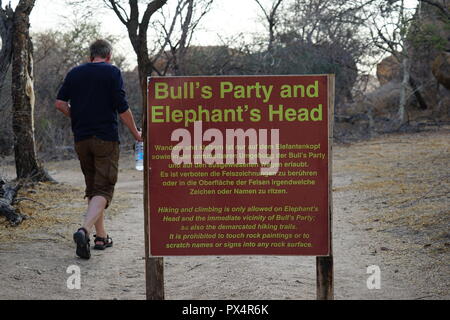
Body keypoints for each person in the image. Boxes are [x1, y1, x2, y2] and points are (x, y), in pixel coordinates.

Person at [55, 39, 143, 260]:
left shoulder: (75, 73)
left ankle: (101, 237)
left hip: (81, 139)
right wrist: (136, 134)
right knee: (103, 190)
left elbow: (60, 103)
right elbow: (122, 109)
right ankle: (84, 230)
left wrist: (79, 116)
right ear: (109, 55)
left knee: (94, 189)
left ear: (90, 55)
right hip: (105, 139)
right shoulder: (112, 72)